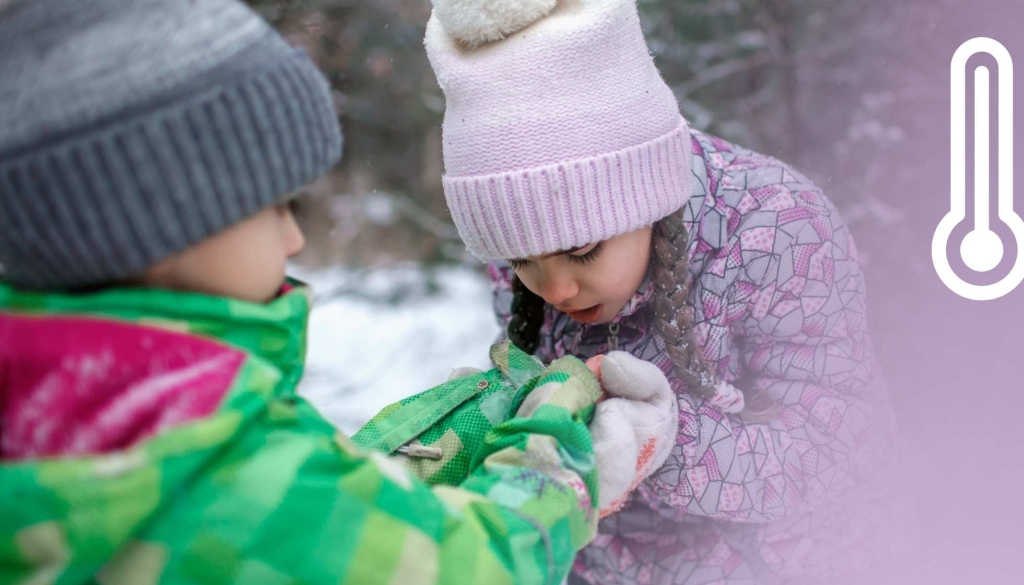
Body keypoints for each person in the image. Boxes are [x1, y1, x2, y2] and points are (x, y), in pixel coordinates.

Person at [0, 1, 665, 582]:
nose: (293, 240)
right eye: (276, 206)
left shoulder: (52, 419)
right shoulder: (222, 471)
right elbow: (479, 564)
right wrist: (554, 447)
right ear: (165, 222)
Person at [424, 0, 902, 582]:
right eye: (521, 260)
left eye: (582, 251)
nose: (556, 288)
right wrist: (497, 418)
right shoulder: (534, 269)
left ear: (644, 197)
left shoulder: (779, 230)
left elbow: (836, 450)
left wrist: (666, 443)